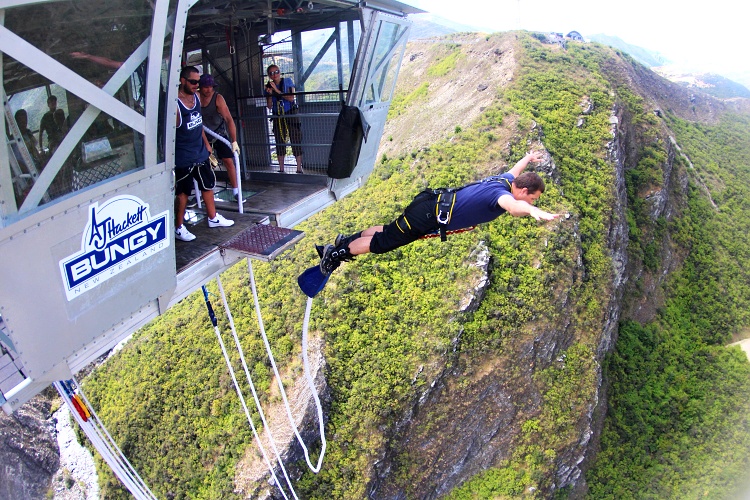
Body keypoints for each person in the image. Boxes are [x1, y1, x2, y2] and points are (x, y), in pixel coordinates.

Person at [319, 151, 561, 275]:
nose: (530, 201)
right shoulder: (502, 196)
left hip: (430, 204)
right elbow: (513, 207)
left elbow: (515, 170)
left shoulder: (506, 181)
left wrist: (527, 158)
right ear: (525, 191)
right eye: (532, 197)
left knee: (388, 230)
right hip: (427, 216)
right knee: (382, 242)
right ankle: (336, 253)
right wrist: (531, 210)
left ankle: (347, 241)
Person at [174, 66, 234, 242]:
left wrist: (207, 145)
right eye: (193, 82)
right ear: (183, 81)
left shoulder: (196, 98)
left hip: (199, 151)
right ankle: (178, 226)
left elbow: (198, 124)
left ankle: (212, 217)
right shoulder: (175, 104)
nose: (196, 85)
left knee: (207, 185)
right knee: (183, 193)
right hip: (183, 156)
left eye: (198, 82)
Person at [198, 74, 242, 199]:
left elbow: (228, 119)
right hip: (202, 134)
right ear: (200, 87)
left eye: (210, 87)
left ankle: (236, 191)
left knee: (229, 160)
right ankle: (204, 193)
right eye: (205, 87)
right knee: (203, 164)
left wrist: (234, 141)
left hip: (219, 133)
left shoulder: (218, 98)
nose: (208, 90)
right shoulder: (195, 97)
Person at [265, 65, 303, 173]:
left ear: (280, 72)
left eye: (276, 72)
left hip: (290, 113)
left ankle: (299, 168)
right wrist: (269, 94)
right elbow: (269, 105)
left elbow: (291, 98)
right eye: (271, 73)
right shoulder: (269, 86)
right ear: (269, 75)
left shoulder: (287, 81)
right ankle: (281, 168)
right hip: (278, 115)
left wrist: (277, 91)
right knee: (279, 140)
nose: (274, 74)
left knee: (295, 138)